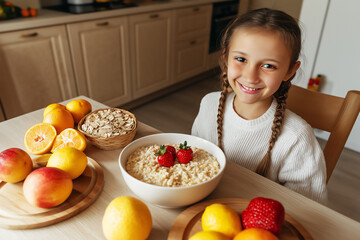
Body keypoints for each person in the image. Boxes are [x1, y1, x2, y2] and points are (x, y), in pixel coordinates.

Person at [191, 8, 327, 204]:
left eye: (268, 66)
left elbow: (308, 209)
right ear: (225, 59)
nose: (250, 76)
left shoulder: (297, 138)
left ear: (290, 71)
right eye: (241, 59)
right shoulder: (208, 104)